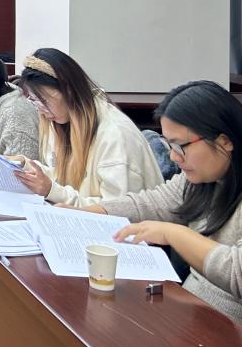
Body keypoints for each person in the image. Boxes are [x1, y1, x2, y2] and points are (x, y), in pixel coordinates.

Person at [79, 81, 242, 323]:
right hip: (192, 312)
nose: (174, 157)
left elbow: (237, 273)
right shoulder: (200, 178)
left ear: (224, 141)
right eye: (169, 145)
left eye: (180, 146)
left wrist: (173, 234)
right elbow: (154, 203)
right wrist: (87, 212)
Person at [9, 48, 162, 206]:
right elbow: (60, 176)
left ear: (69, 91)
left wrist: (51, 191)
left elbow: (117, 209)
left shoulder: (116, 136)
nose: (41, 110)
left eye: (44, 101)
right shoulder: (59, 121)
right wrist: (25, 166)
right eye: (34, 101)